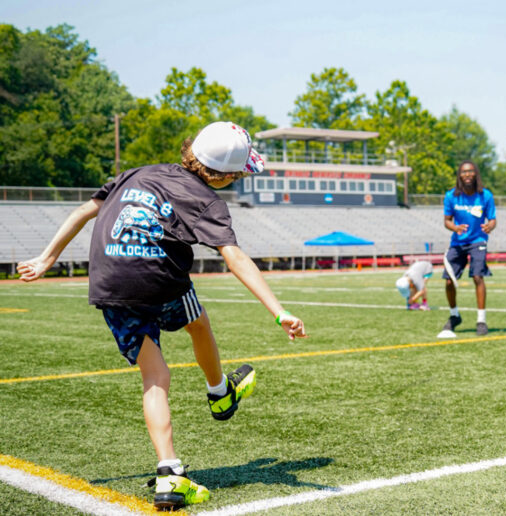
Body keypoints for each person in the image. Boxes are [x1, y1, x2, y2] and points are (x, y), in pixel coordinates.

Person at [17, 121, 307, 511]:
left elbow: (84, 211)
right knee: (198, 323)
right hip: (160, 278)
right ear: (227, 176)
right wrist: (279, 311)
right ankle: (219, 393)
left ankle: (170, 473)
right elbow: (234, 257)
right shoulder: (207, 201)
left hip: (111, 280)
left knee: (156, 377)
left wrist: (46, 258)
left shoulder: (137, 173)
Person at [440, 160, 496, 336]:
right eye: (464, 172)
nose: (467, 174)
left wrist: (490, 226)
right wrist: (455, 228)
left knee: (478, 276)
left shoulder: (485, 195)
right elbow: (447, 221)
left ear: (476, 174)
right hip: (458, 242)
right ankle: (454, 315)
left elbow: (492, 219)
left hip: (478, 240)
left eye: (471, 171)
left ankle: (481, 320)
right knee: (449, 280)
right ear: (459, 175)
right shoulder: (451, 196)